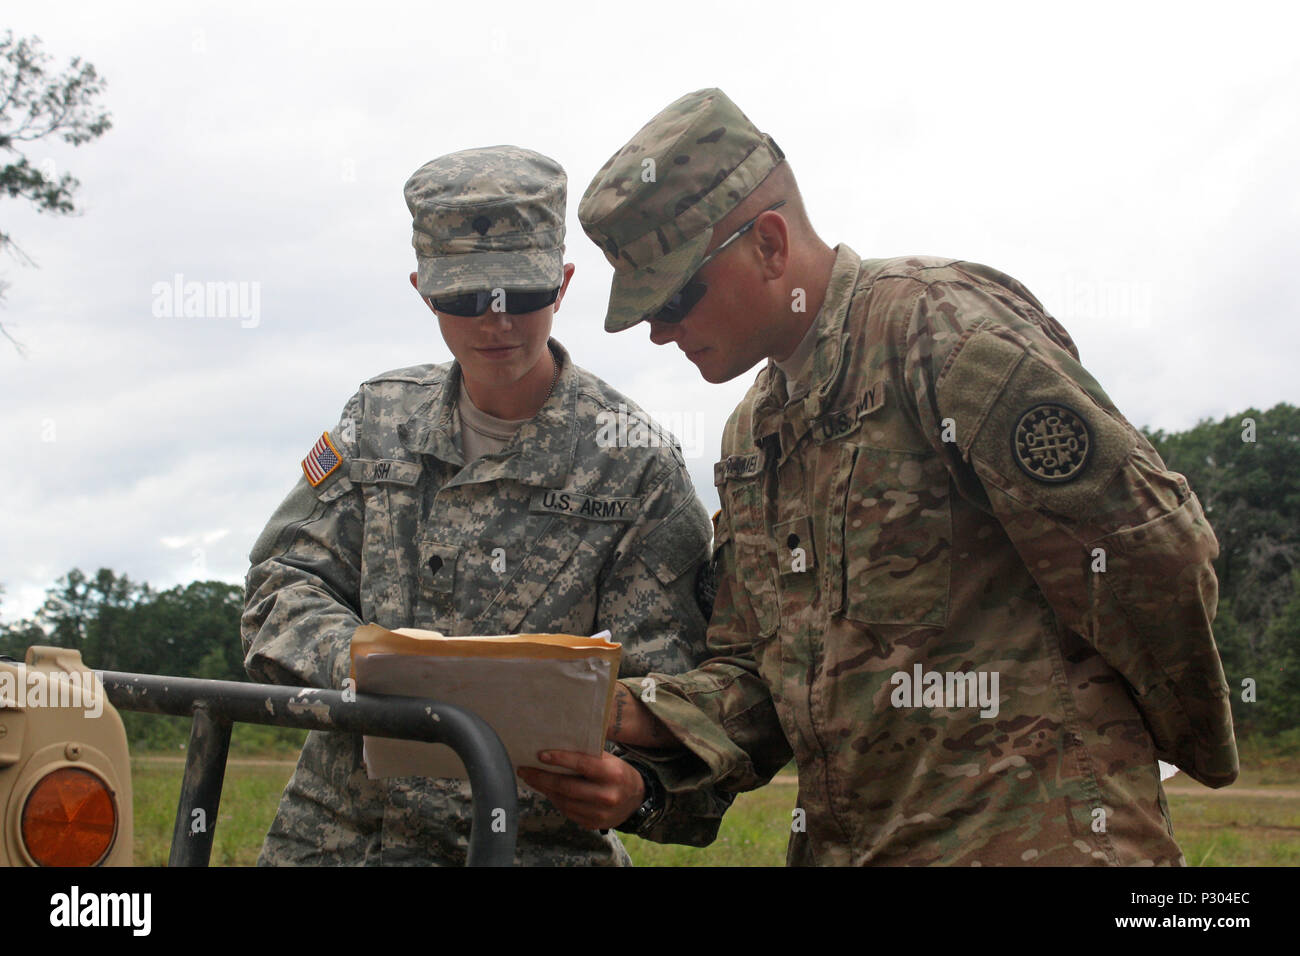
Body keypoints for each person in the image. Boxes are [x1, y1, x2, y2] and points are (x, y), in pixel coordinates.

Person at [526, 88, 1239, 865]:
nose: (660, 332)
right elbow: (760, 673)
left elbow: (1150, 548)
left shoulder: (943, 334)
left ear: (769, 242)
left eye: (673, 298)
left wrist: (1178, 736)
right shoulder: (751, 437)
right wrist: (639, 720)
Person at [241, 145, 728, 866]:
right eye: (465, 299)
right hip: (343, 839)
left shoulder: (635, 467)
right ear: (422, 290)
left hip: (530, 846)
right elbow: (279, 588)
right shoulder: (378, 421)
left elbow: (679, 696)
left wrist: (639, 787)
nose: (495, 321)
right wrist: (370, 667)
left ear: (562, 285)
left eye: (520, 294)